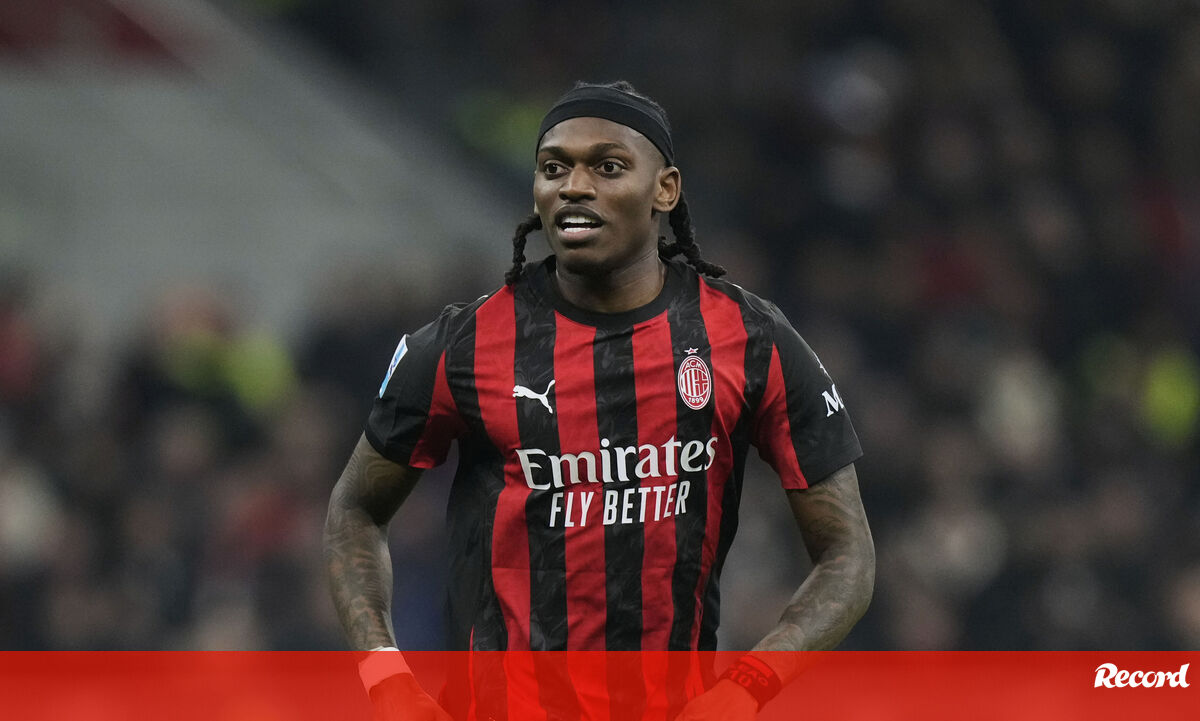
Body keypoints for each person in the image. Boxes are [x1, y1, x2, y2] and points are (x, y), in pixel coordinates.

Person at [324, 81, 875, 720]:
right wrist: (386, 679)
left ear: (665, 189)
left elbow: (848, 553)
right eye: (554, 168)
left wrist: (746, 687)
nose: (574, 186)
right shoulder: (461, 345)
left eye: (607, 167)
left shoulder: (749, 340)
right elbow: (355, 510)